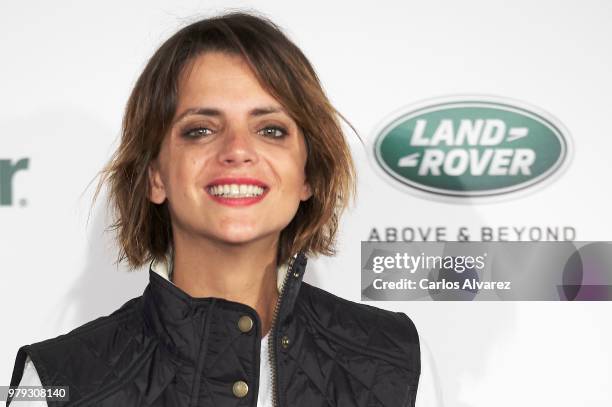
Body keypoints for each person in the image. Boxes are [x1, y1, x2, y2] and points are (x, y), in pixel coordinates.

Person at [8, 11, 432, 406]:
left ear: (307, 175)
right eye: (201, 130)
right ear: (156, 176)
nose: (237, 150)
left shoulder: (398, 359)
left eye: (270, 129)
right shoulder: (50, 381)